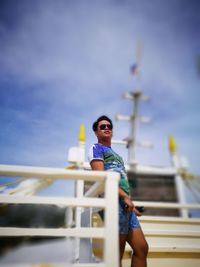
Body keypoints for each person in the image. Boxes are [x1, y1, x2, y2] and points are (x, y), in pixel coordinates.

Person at [88, 115, 148, 267]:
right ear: (96, 132)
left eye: (109, 126)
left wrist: (129, 202)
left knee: (142, 248)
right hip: (113, 202)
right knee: (117, 253)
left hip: (125, 204)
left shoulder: (117, 155)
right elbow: (101, 177)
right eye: (102, 126)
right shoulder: (96, 148)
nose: (107, 128)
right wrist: (123, 197)